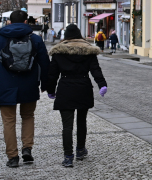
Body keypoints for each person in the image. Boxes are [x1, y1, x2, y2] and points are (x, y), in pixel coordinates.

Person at [0, 10, 51, 168]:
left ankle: (12, 157)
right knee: (28, 116)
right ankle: (27, 149)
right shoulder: (35, 39)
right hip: (29, 84)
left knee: (8, 121)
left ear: (9, 22)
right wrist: (47, 85)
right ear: (26, 22)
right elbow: (45, 63)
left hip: (5, 84)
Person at [45, 24, 107, 168]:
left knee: (67, 126)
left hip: (65, 88)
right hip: (83, 87)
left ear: (65, 36)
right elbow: (95, 70)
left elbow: (52, 74)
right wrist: (102, 84)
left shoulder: (58, 52)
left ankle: (68, 156)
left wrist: (50, 89)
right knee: (81, 121)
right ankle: (80, 150)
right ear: (79, 35)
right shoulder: (88, 51)